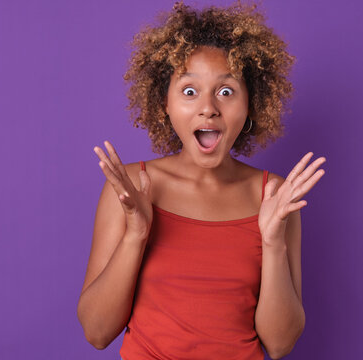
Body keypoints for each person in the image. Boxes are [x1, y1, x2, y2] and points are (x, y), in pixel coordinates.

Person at [77, 1, 326, 359]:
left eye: (226, 91)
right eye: (189, 91)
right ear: (164, 102)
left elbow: (280, 343)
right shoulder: (131, 186)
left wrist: (273, 242)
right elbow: (97, 332)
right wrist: (136, 234)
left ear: (250, 105)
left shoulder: (274, 195)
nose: (208, 107)